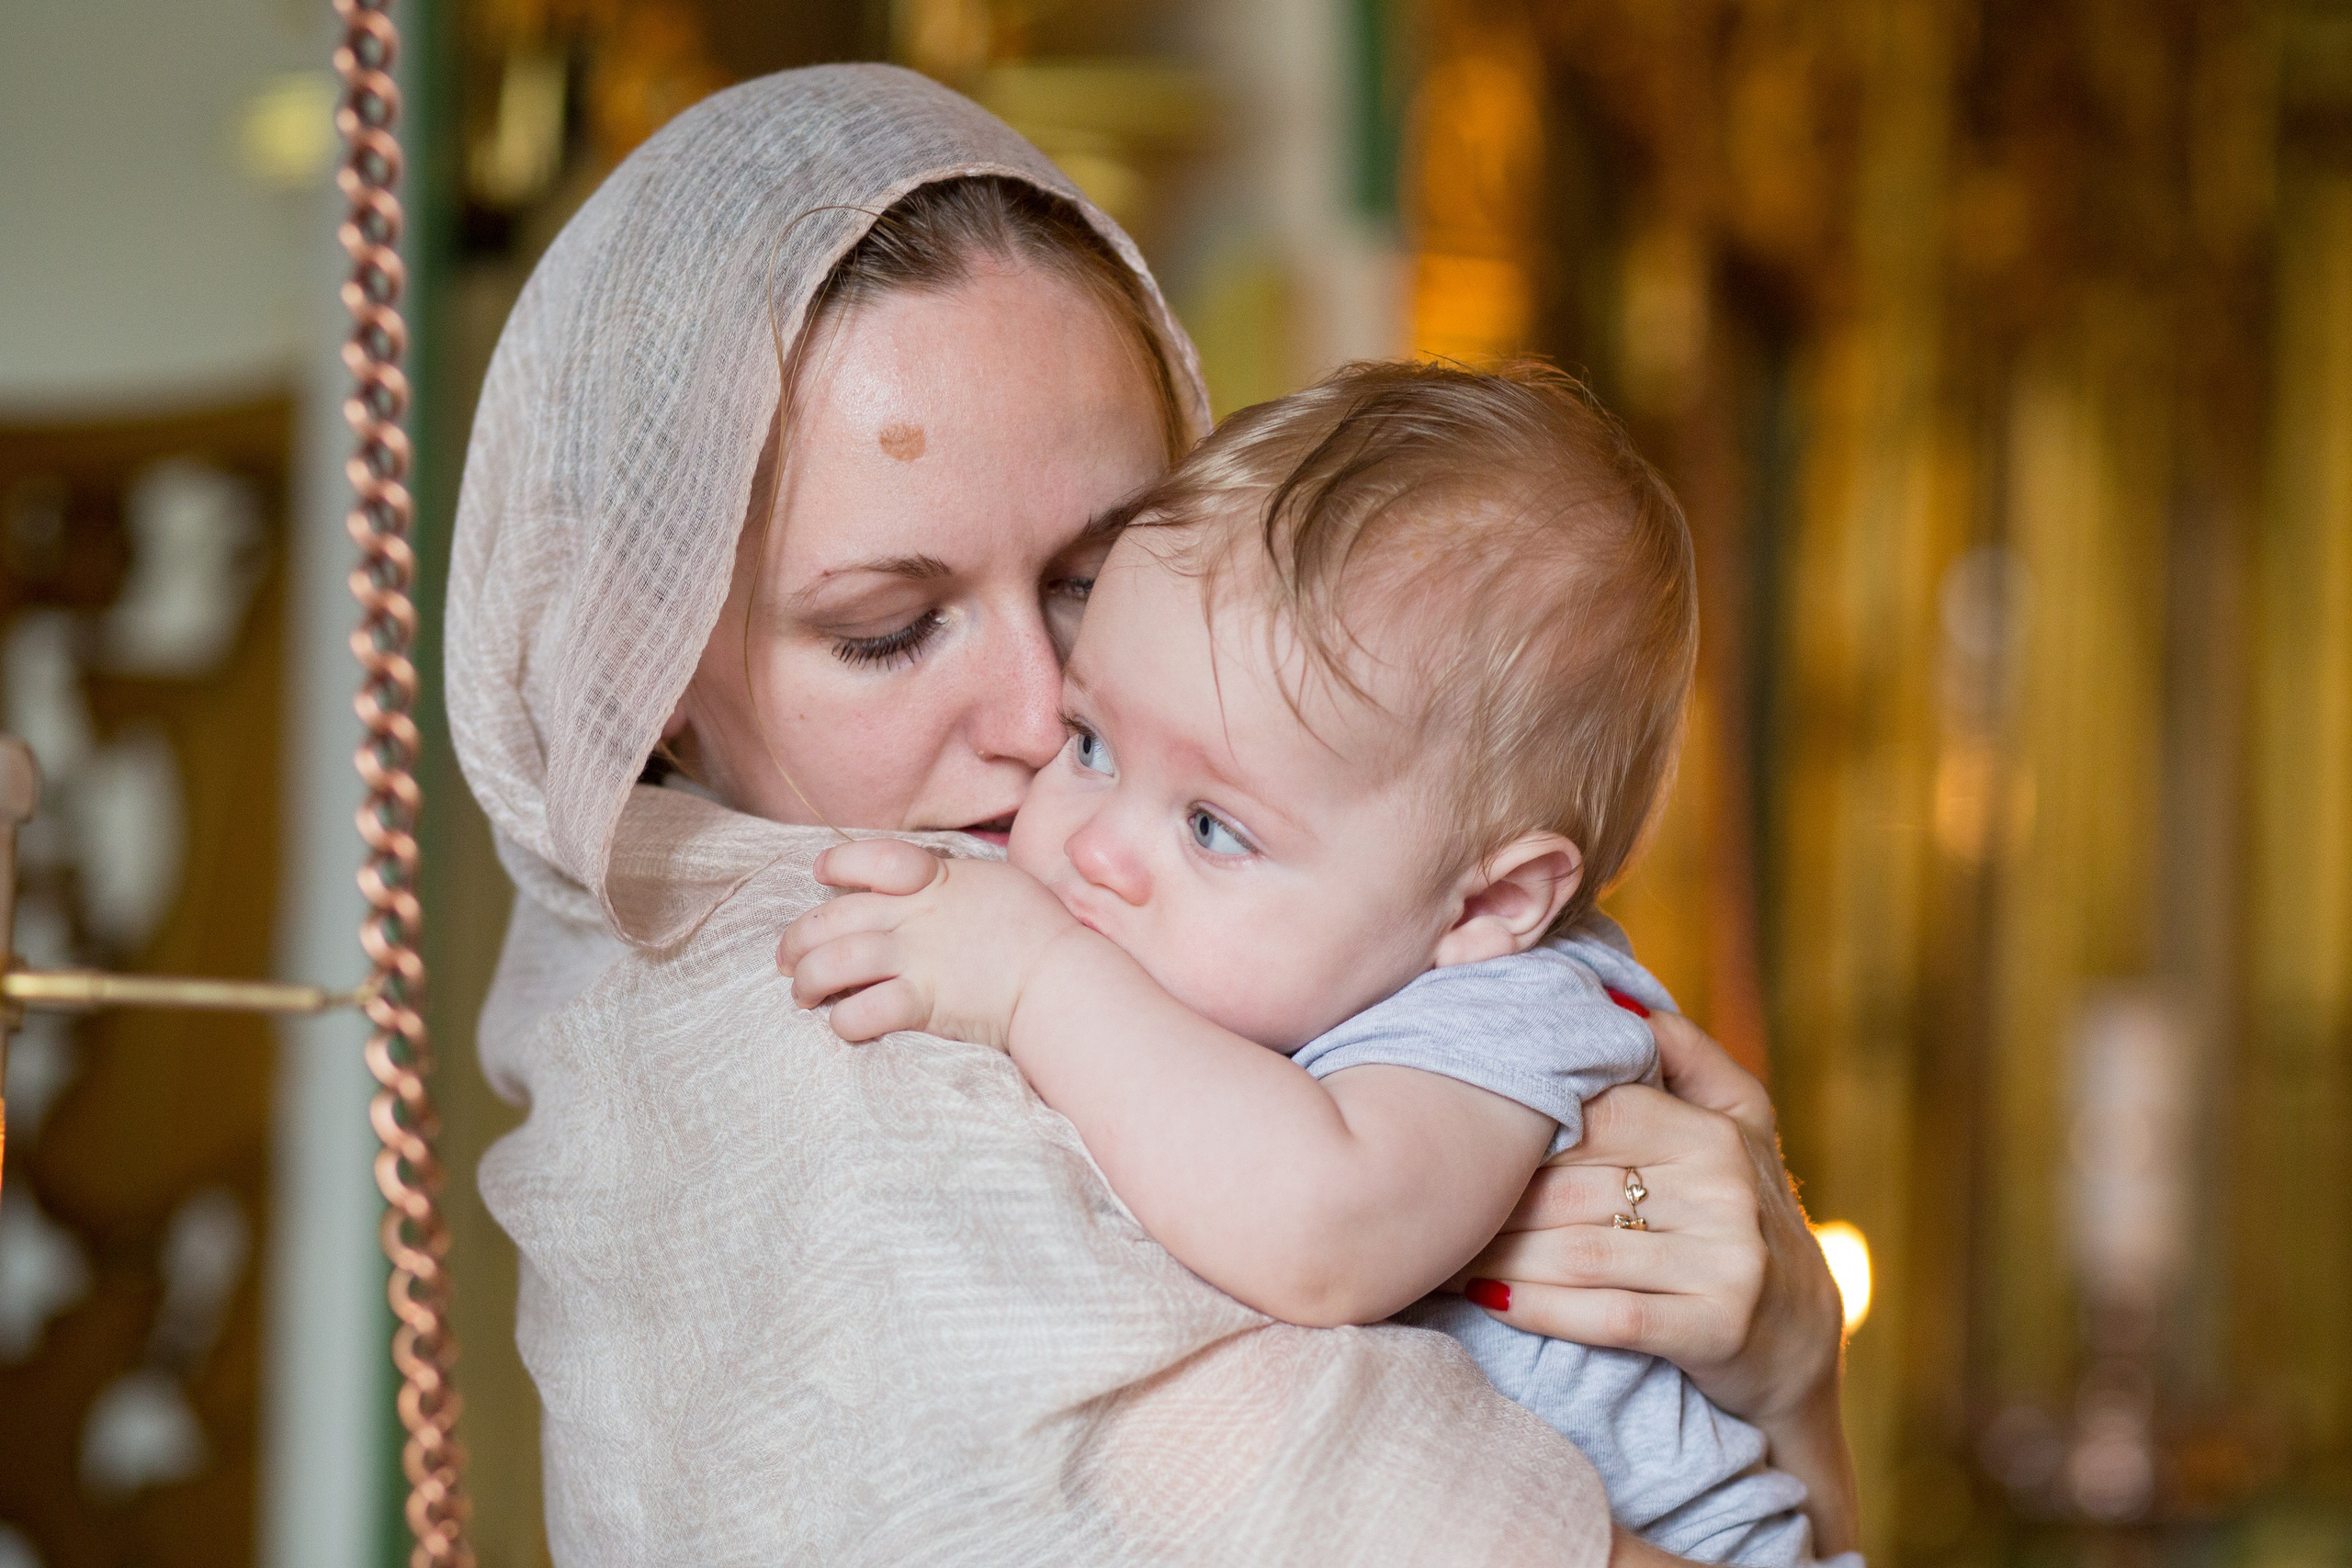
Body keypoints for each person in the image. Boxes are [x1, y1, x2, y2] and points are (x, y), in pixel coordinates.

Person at [447, 62, 1856, 1566]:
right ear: (641, 661)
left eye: (1089, 581)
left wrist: (1786, 1372)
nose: (1043, 716)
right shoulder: (855, 1081)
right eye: (887, 627)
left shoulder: (1207, 918)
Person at [778, 359, 1824, 1564]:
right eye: (1092, 740)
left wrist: (1032, 980)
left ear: (1489, 903)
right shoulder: (1270, 943)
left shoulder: (1509, 1013)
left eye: (1215, 826)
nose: (1092, 844)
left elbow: (1323, 1233)